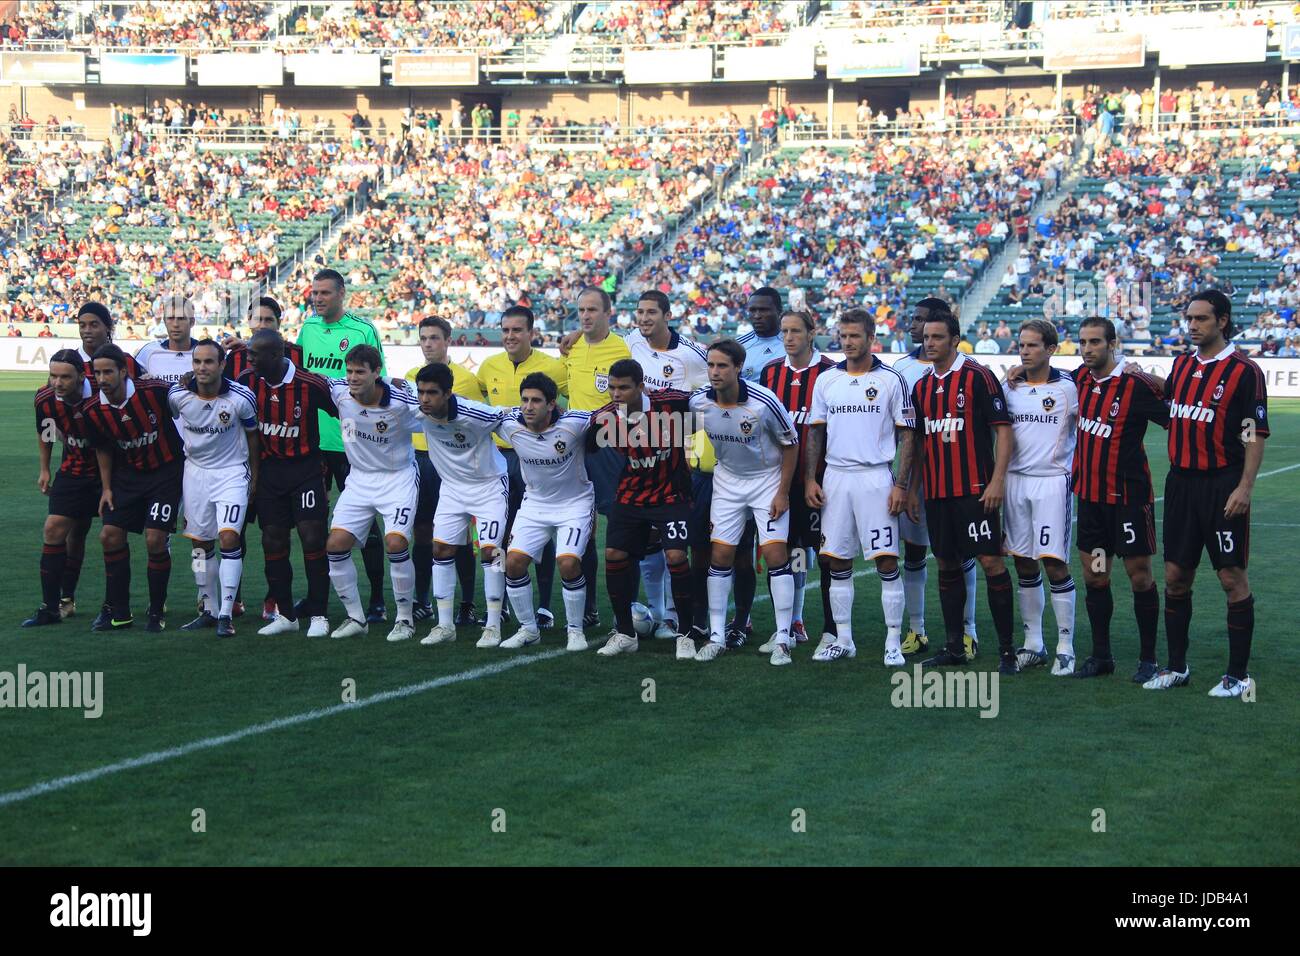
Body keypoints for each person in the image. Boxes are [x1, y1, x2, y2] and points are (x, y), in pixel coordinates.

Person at [1151, 291, 1269, 697]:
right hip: (1181, 484)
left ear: (1222, 321)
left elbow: (1254, 435)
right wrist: (1147, 378)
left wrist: (1245, 487)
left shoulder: (1244, 371)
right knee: (1175, 576)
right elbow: (1175, 400)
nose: (1193, 325)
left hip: (1222, 485)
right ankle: (1176, 666)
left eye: (1201, 319)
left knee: (1231, 576)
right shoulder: (1182, 365)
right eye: (1189, 319)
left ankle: (1238, 676)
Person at [904, 313, 1020, 674]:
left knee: (990, 563)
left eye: (938, 336)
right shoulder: (921, 386)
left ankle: (1007, 652)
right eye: (926, 337)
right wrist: (913, 489)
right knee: (947, 564)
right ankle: (954, 646)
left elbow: (1003, 431)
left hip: (975, 491)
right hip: (938, 494)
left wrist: (997, 480)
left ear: (956, 339)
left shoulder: (978, 377)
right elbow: (920, 442)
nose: (930, 343)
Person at [803, 310, 913, 665]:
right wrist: (809, 478)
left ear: (871, 337)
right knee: (836, 558)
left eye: (854, 336)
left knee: (885, 559)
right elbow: (815, 431)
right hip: (835, 477)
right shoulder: (826, 380)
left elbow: (908, 434)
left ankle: (893, 642)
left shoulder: (891, 380)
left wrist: (901, 484)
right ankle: (844, 638)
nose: (848, 343)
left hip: (875, 477)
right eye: (843, 336)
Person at [688, 340, 799, 665]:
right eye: (710, 365)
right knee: (720, 555)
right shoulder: (698, 403)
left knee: (776, 553)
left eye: (722, 366)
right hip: (727, 481)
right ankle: (718, 636)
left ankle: (782, 639)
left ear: (738, 368)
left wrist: (781, 492)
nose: (714, 372)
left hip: (766, 481)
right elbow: (681, 431)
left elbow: (790, 444)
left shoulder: (764, 401)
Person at [297, 268, 388, 624]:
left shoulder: (362, 331)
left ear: (341, 294)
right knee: (313, 525)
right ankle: (317, 598)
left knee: (366, 526)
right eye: (314, 293)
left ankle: (378, 598)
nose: (317, 298)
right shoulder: (308, 329)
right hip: (314, 443)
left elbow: (376, 381)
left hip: (353, 443)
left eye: (324, 293)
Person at [591, 358, 697, 658]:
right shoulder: (605, 419)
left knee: (676, 555)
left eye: (623, 388)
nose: (616, 394)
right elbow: (582, 438)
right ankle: (625, 633)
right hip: (631, 496)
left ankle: (686, 634)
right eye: (612, 388)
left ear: (641, 386)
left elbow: (706, 407)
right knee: (614, 554)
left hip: (670, 495)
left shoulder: (674, 404)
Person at [892, 298, 979, 658]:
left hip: (959, 477)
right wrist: (906, 482)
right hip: (917, 477)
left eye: (923, 321)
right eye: (914, 321)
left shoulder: (971, 371)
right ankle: (917, 629)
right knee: (914, 551)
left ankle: (968, 632)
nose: (916, 328)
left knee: (961, 554)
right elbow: (904, 431)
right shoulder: (901, 368)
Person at [322, 345, 425, 642]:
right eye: (350, 371)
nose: (353, 377)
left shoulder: (402, 401)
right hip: (360, 480)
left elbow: (436, 412)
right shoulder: (340, 391)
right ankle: (356, 617)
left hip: (398, 478)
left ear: (376, 372)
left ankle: (404, 619)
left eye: (360, 372)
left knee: (395, 543)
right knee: (336, 545)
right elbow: (309, 377)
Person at [239, 330, 337, 638]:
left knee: (312, 537)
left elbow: (345, 405)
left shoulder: (311, 384)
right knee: (273, 540)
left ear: (273, 355)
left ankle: (319, 614)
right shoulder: (247, 382)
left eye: (254, 354)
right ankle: (286, 614)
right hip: (270, 474)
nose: (249, 358)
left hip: (306, 470)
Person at [82, 345, 185, 633]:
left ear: (123, 371)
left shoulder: (153, 391)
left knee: (155, 539)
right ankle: (120, 611)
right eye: (97, 372)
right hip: (127, 477)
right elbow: (102, 449)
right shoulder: (93, 410)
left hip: (165, 472)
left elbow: (185, 400)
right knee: (109, 536)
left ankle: (155, 611)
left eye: (107, 372)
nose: (101, 378)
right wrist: (106, 488)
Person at [625, 289, 708, 638]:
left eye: (651, 313)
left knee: (676, 540)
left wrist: (689, 451)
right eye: (640, 312)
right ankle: (657, 613)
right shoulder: (631, 343)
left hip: (674, 461)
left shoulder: (692, 357)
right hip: (638, 457)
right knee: (647, 537)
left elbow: (703, 407)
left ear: (667, 315)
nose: (644, 318)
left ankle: (675, 616)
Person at [478, 305, 568, 630]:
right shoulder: (488, 367)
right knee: (500, 535)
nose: (510, 336)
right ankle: (499, 604)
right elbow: (480, 402)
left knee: (540, 533)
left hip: (537, 459)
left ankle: (544, 606)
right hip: (499, 461)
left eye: (517, 330)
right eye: (505, 330)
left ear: (531, 332)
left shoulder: (554, 367)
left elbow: (574, 403)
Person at [412, 363, 511, 650]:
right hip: (453, 489)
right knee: (440, 548)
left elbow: (505, 414)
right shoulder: (418, 408)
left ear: (448, 394)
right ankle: (444, 625)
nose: (425, 399)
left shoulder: (474, 413)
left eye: (432, 393)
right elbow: (389, 391)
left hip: (489, 486)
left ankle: (493, 624)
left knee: (491, 552)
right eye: (421, 392)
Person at [1001, 320, 1080, 675]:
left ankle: (1066, 645)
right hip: (1015, 483)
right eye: (1022, 345)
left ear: (1051, 349)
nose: (1025, 351)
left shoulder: (1070, 387)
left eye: (1033, 346)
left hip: (1052, 482)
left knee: (1054, 562)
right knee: (1022, 562)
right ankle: (1034, 643)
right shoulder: (1009, 388)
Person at [496, 373, 594, 652]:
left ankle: (575, 631)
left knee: (568, 563)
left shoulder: (575, 423)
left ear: (552, 404)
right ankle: (528, 629)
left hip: (574, 504)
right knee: (513, 563)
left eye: (536, 401)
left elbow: (607, 415)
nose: (528, 406)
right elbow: (480, 415)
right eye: (525, 400)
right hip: (535, 504)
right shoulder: (509, 425)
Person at [169, 341, 259, 638]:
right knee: (199, 544)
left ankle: (226, 614)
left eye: (209, 362)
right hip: (195, 474)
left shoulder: (241, 398)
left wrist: (254, 478)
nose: (202, 367)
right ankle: (208, 608)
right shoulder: (178, 395)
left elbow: (253, 437)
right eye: (197, 362)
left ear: (222, 365)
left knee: (229, 536)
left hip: (232, 473)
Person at [759, 309, 837, 651]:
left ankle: (834, 630)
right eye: (784, 331)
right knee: (787, 552)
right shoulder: (770, 372)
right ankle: (792, 623)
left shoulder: (830, 373)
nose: (788, 337)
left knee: (827, 555)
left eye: (795, 331)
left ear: (811, 332)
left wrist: (816, 476)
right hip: (778, 482)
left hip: (819, 481)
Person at [405, 315, 483, 626]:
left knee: (463, 535)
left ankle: (466, 603)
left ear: (448, 341)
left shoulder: (465, 379)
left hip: (454, 466)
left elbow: (476, 425)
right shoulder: (411, 376)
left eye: (434, 338)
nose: (428, 344)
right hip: (420, 461)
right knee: (422, 531)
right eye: (423, 338)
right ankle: (421, 600)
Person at [564, 287, 631, 628]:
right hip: (577, 448)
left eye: (592, 309)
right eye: (581, 311)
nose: (586, 316)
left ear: (609, 312)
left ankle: (630, 606)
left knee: (619, 523)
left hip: (611, 445)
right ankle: (589, 605)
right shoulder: (572, 347)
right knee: (583, 526)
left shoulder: (624, 347)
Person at [726, 286, 788, 647]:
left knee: (783, 544)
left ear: (779, 311)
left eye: (764, 309)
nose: (757, 315)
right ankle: (742, 617)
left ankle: (791, 619)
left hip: (777, 454)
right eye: (752, 309)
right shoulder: (740, 345)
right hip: (740, 455)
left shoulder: (790, 345)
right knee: (740, 546)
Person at [23, 351, 99, 628]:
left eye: (65, 377)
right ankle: (52, 606)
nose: (57, 383)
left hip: (113, 472)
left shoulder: (100, 394)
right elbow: (46, 433)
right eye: (53, 376)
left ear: (81, 376)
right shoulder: (44, 399)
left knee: (97, 534)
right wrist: (44, 469)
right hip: (74, 469)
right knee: (55, 529)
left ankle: (116, 605)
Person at [224, 296, 303, 381]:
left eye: (268, 320)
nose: (262, 326)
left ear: (279, 323)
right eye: (257, 319)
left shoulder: (298, 354)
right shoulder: (235, 357)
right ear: (250, 322)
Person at [135, 295, 199, 384]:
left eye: (181, 318)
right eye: (171, 318)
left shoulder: (206, 353)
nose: (175, 324)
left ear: (192, 322)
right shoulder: (148, 352)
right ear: (164, 321)